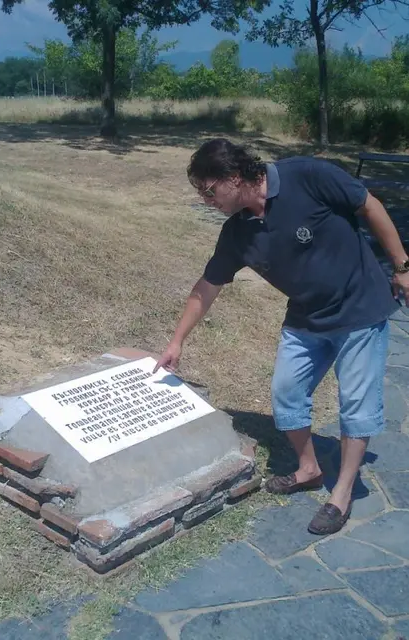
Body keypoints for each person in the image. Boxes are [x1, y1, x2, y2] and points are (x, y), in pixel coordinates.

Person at [153, 137, 409, 535]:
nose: (206, 200)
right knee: (287, 395)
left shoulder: (307, 175)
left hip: (360, 310)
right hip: (306, 320)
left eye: (208, 190)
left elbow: (369, 205)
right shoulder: (238, 233)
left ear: (234, 177)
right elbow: (207, 287)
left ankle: (342, 493)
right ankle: (309, 467)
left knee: (356, 405)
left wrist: (402, 266)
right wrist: (176, 341)